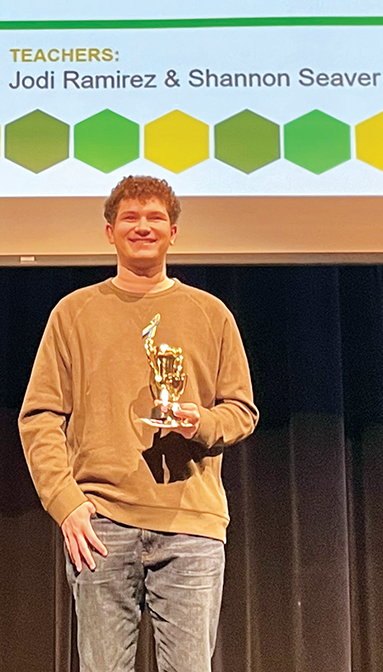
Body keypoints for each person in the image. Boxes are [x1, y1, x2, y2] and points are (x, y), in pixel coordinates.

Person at [19, 176, 258, 672]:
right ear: (110, 232)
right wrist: (65, 504)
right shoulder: (74, 313)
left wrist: (201, 423)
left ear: (173, 232)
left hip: (190, 526)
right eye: (130, 217)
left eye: (154, 218)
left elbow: (241, 410)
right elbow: (40, 416)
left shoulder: (211, 314)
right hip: (100, 525)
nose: (142, 227)